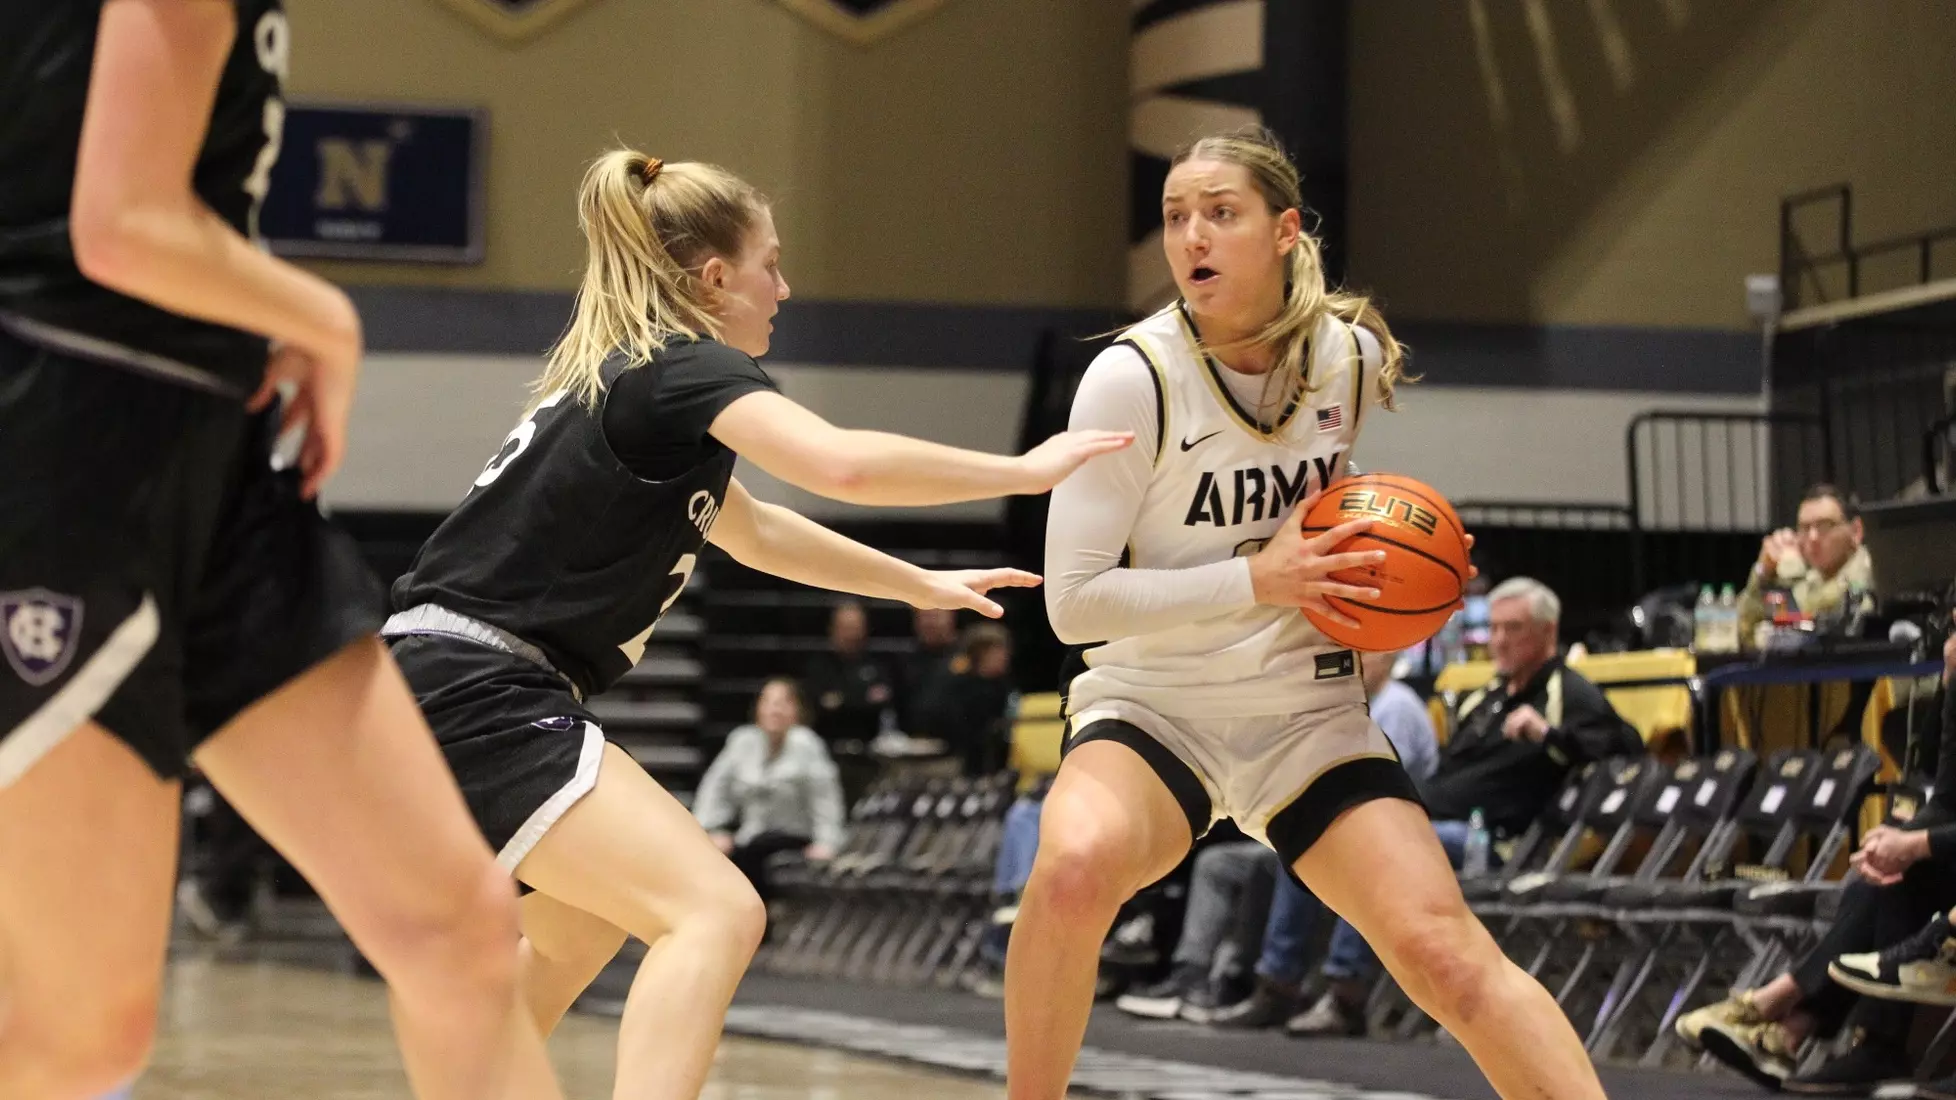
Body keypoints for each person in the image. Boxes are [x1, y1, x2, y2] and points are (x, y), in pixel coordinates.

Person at [380, 146, 1130, 1100]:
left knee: (581, 923)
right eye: (770, 263)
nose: (784, 285)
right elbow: (844, 465)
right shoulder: (681, 364)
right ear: (715, 277)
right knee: (714, 912)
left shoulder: (639, 385)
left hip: (436, 679)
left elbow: (759, 531)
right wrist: (1023, 471)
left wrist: (918, 585)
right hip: (478, 683)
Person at [0, 4, 565, 1098]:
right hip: (68, 448)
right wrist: (321, 315)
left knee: (458, 932)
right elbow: (120, 222)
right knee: (81, 1031)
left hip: (210, 453)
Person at [1005, 125, 1610, 1100]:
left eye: (1220, 213)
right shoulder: (1133, 375)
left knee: (1445, 954)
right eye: (1174, 217)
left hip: (1304, 715)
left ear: (1284, 230)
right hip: (1157, 706)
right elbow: (1073, 607)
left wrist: (1386, 559)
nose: (1191, 235)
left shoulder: (1350, 357)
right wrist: (1258, 578)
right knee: (1071, 869)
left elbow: (1334, 490)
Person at [693, 678, 846, 904]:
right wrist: (710, 831)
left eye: (784, 702)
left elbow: (826, 800)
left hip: (794, 840)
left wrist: (827, 844)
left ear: (797, 711)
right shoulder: (742, 741)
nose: (775, 709)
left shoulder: (807, 745)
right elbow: (714, 790)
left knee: (755, 856)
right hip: (749, 839)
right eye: (769, 702)